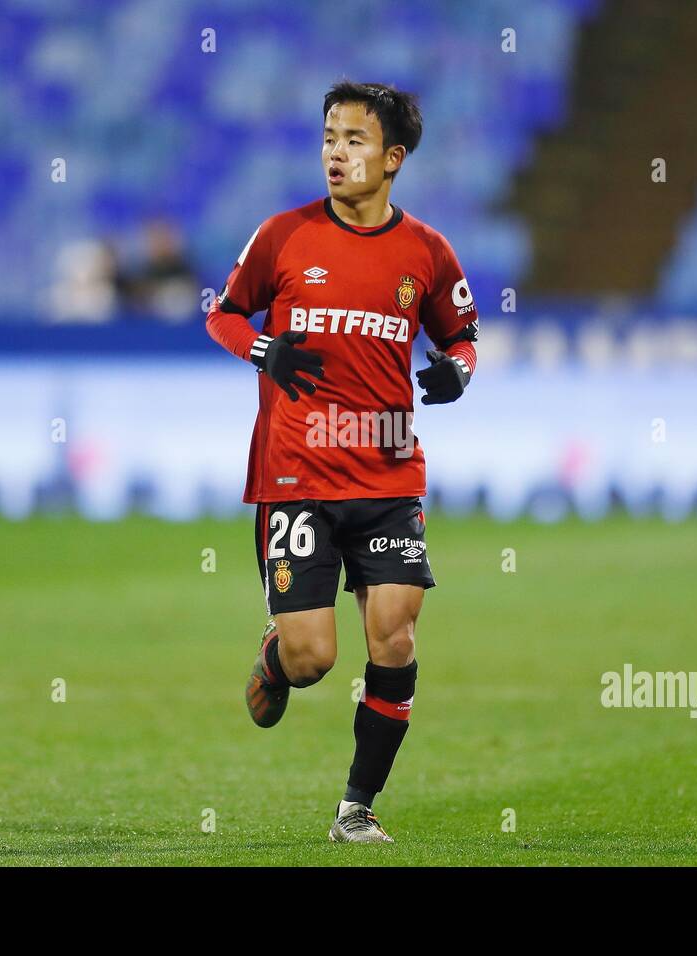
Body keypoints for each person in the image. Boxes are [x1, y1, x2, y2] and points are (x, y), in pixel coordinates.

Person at [205, 81, 479, 843]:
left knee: (394, 636)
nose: (336, 152)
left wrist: (458, 370)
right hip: (297, 473)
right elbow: (222, 312)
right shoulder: (283, 237)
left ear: (392, 158)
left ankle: (356, 807)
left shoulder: (426, 251)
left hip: (389, 472)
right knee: (314, 658)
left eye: (354, 140)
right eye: (329, 137)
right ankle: (277, 651)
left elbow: (462, 333)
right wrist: (262, 348)